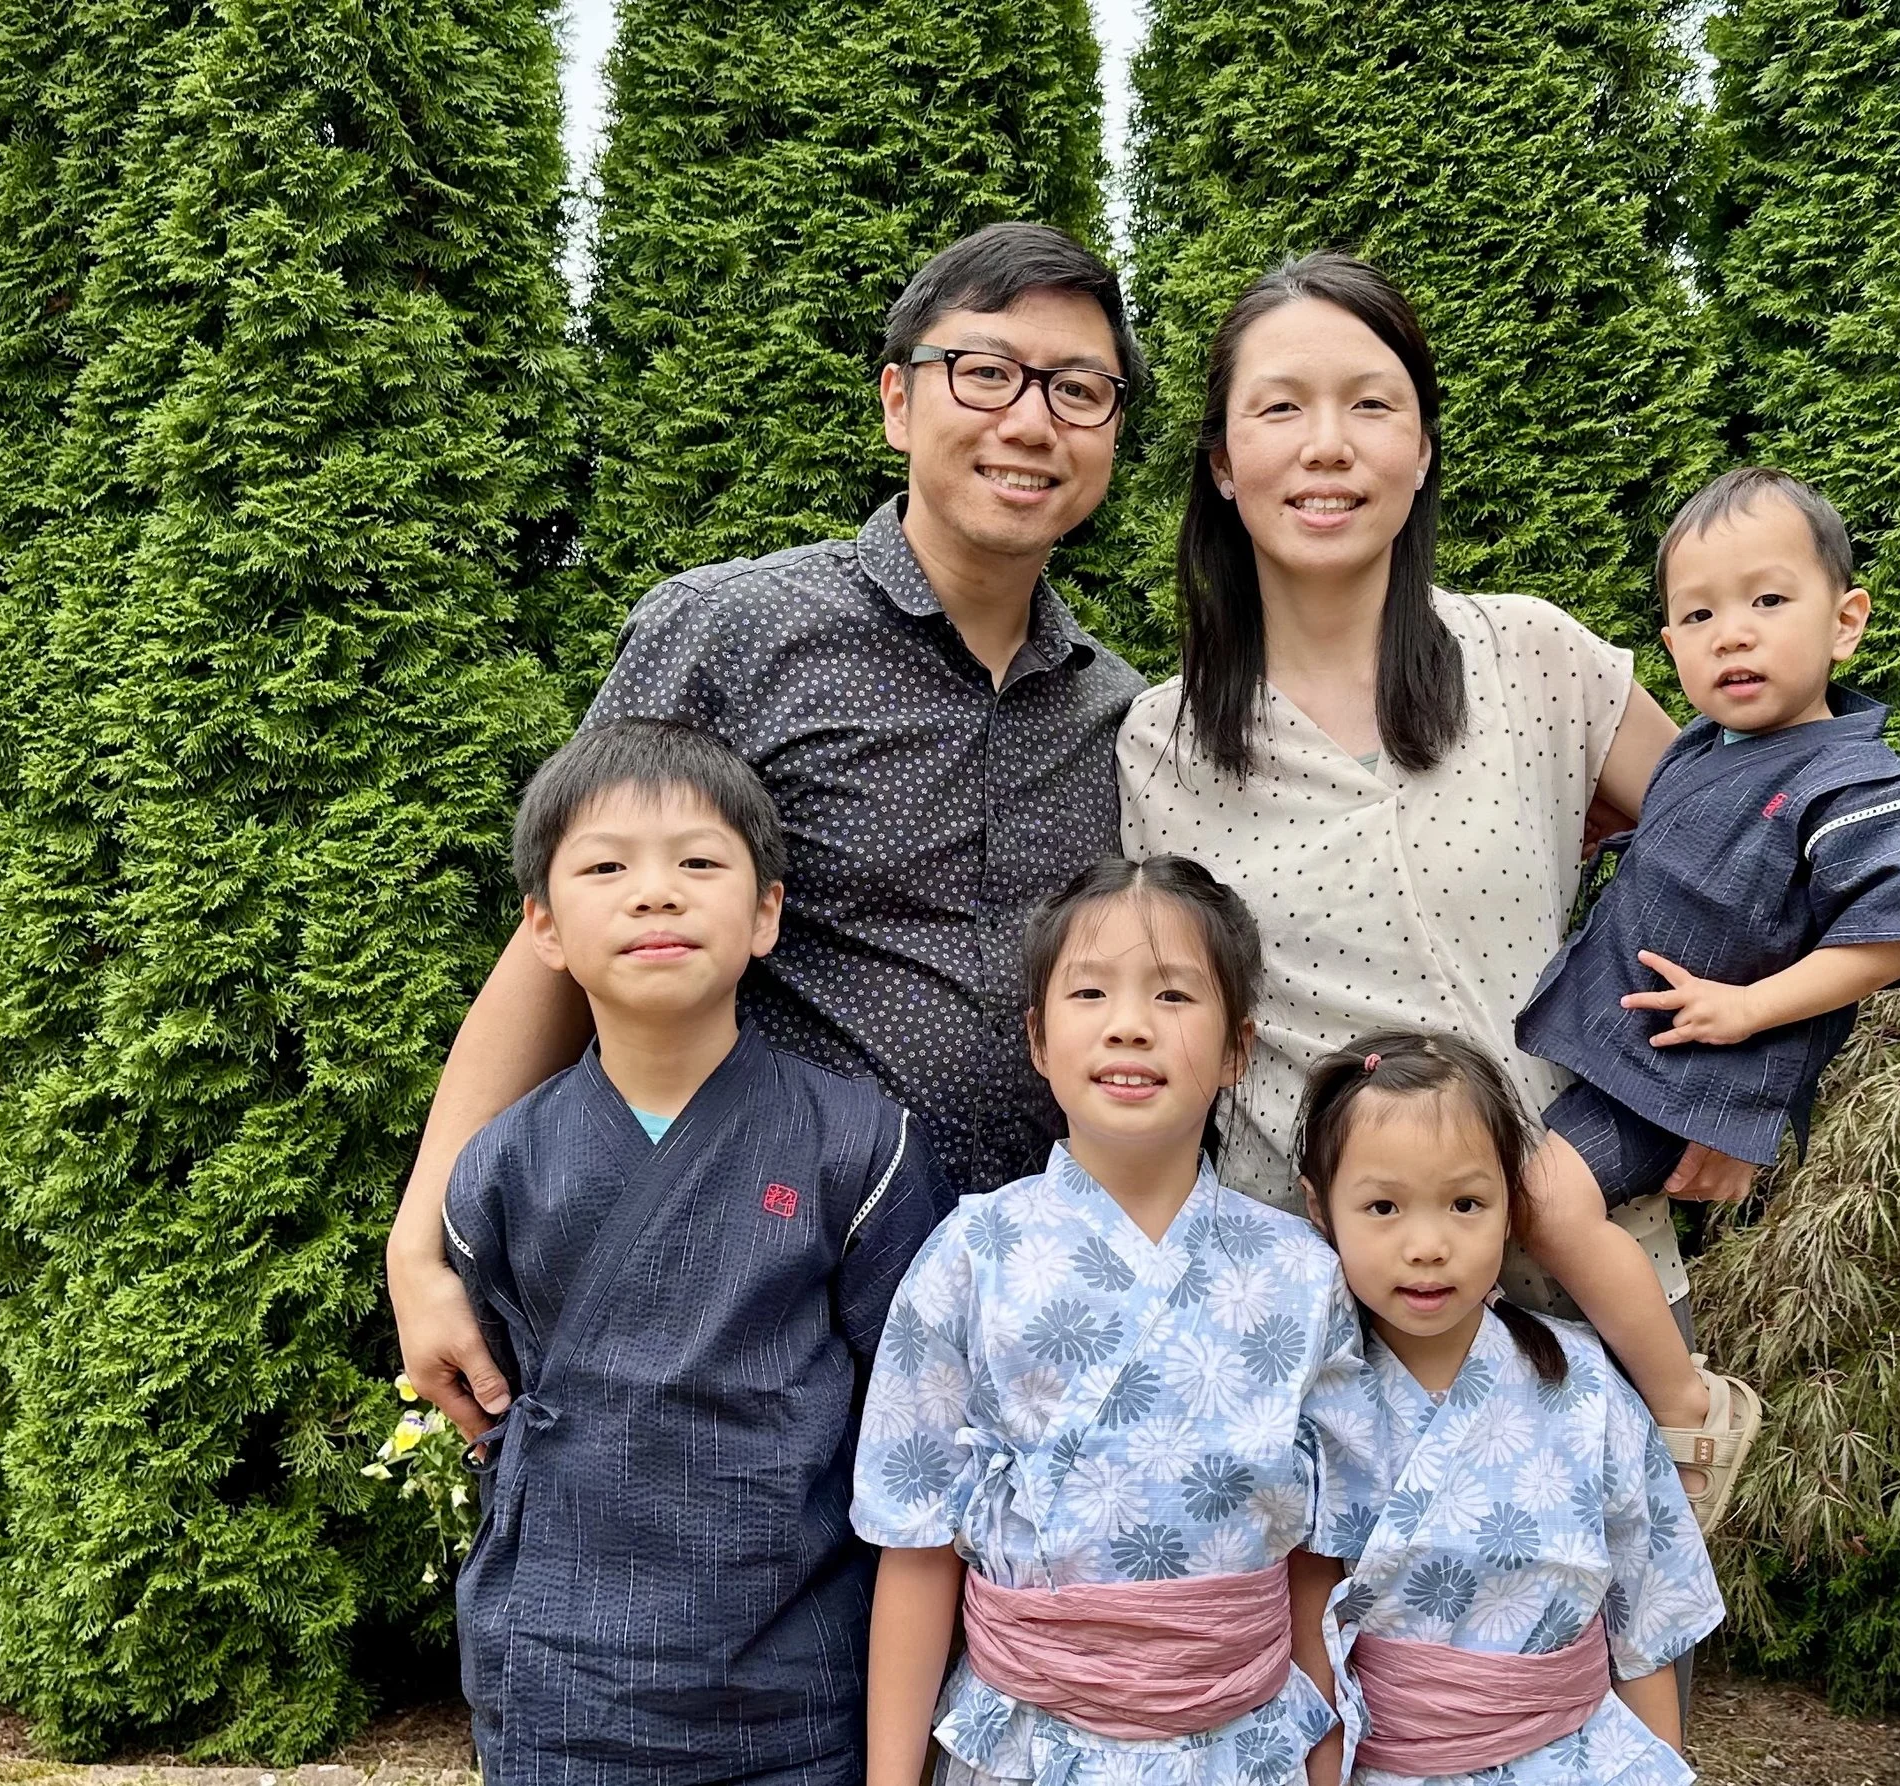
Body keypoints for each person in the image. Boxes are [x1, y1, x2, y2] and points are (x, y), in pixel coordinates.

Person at [392, 221, 1147, 1443]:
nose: (1029, 420)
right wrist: (423, 1239)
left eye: (1078, 389)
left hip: (1027, 1328)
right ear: (899, 400)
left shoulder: (1122, 710)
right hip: (751, 1308)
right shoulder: (731, 632)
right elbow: (557, 940)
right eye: (985, 372)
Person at [1115, 252, 1754, 1523]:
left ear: (1419, 448)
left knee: (1609, 1692)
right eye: (1280, 408)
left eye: (1371, 403)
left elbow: (1748, 852)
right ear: (1223, 464)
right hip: (1309, 1323)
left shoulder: (1535, 660)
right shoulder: (1157, 744)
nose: (1327, 447)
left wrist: (1730, 1082)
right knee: (1335, 1708)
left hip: (1570, 1283)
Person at [445, 719, 954, 1785]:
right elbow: (501, 1402)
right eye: (605, 866)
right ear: (542, 926)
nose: (655, 892)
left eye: (698, 862)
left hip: (797, 1694)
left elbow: (912, 1426)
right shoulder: (500, 1167)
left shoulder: (858, 1146)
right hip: (560, 1685)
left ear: (766, 912)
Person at [851, 856, 1386, 1786]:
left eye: (1175, 995)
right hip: (1022, 1744)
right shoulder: (973, 1254)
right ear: (1038, 1038)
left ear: (1236, 1049)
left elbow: (1319, 1563)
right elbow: (916, 1544)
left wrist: (1327, 1763)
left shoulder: (1303, 1274)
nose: (1130, 1026)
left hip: (1240, 1747)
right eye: (1089, 991)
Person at [1297, 1030, 1721, 1786]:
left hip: (1578, 1760)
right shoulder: (1311, 1399)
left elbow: (1647, 1617)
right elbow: (1296, 1637)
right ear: (1320, 1209)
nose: (1428, 1245)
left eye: (1465, 1203)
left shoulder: (1583, 1382)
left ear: (1512, 1203)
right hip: (1382, 1763)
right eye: (1383, 1206)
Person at [1517, 466, 1900, 1215]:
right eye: (1700, 615)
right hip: (1619, 1043)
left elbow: (1890, 940)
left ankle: (1668, 1344)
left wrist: (1750, 1009)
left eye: (1769, 601)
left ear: (1845, 622)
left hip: (1691, 1075)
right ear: (1671, 642)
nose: (1733, 633)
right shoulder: (1700, 745)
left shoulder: (1855, 785)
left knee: (1544, 1208)